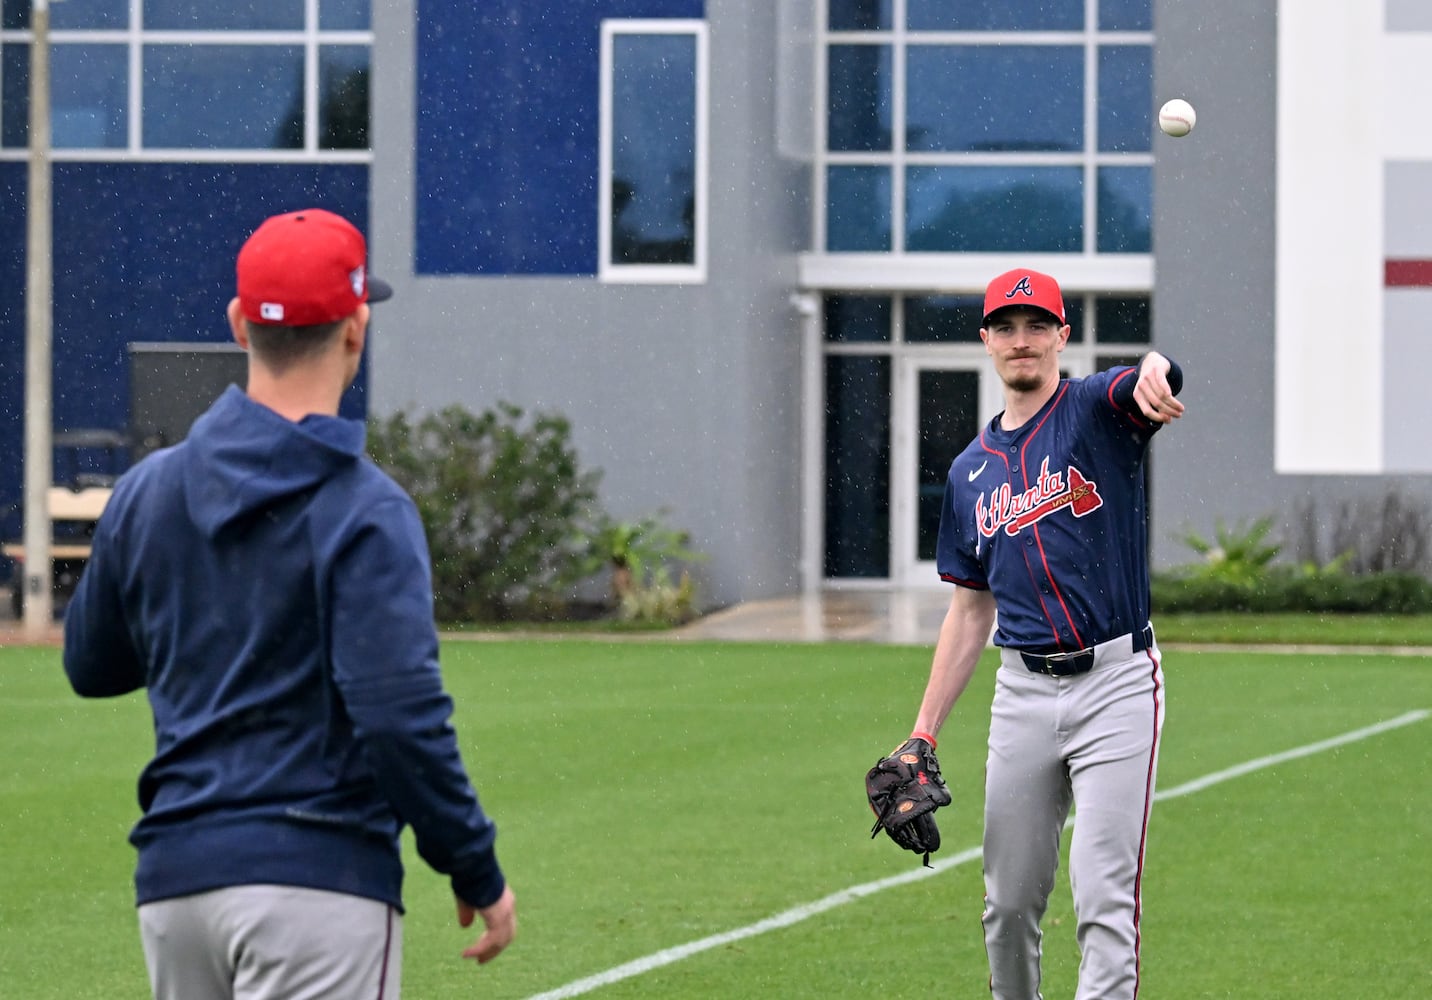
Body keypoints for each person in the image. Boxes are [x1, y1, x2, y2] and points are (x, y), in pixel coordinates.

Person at [62, 208, 516, 999]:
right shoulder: (367, 510)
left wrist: (211, 615)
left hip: (176, 887)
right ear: (355, 328)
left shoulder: (146, 492)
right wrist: (472, 862)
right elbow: (398, 716)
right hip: (318, 882)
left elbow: (92, 665)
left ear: (240, 325)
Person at [900, 268, 1183, 999]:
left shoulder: (1093, 412)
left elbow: (1145, 378)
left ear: (1062, 335)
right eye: (1006, 326)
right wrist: (923, 732)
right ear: (986, 340)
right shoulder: (969, 474)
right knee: (1009, 905)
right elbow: (969, 612)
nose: (1021, 340)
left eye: (1037, 325)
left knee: (1103, 902)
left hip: (1117, 685)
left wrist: (1157, 368)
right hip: (1021, 695)